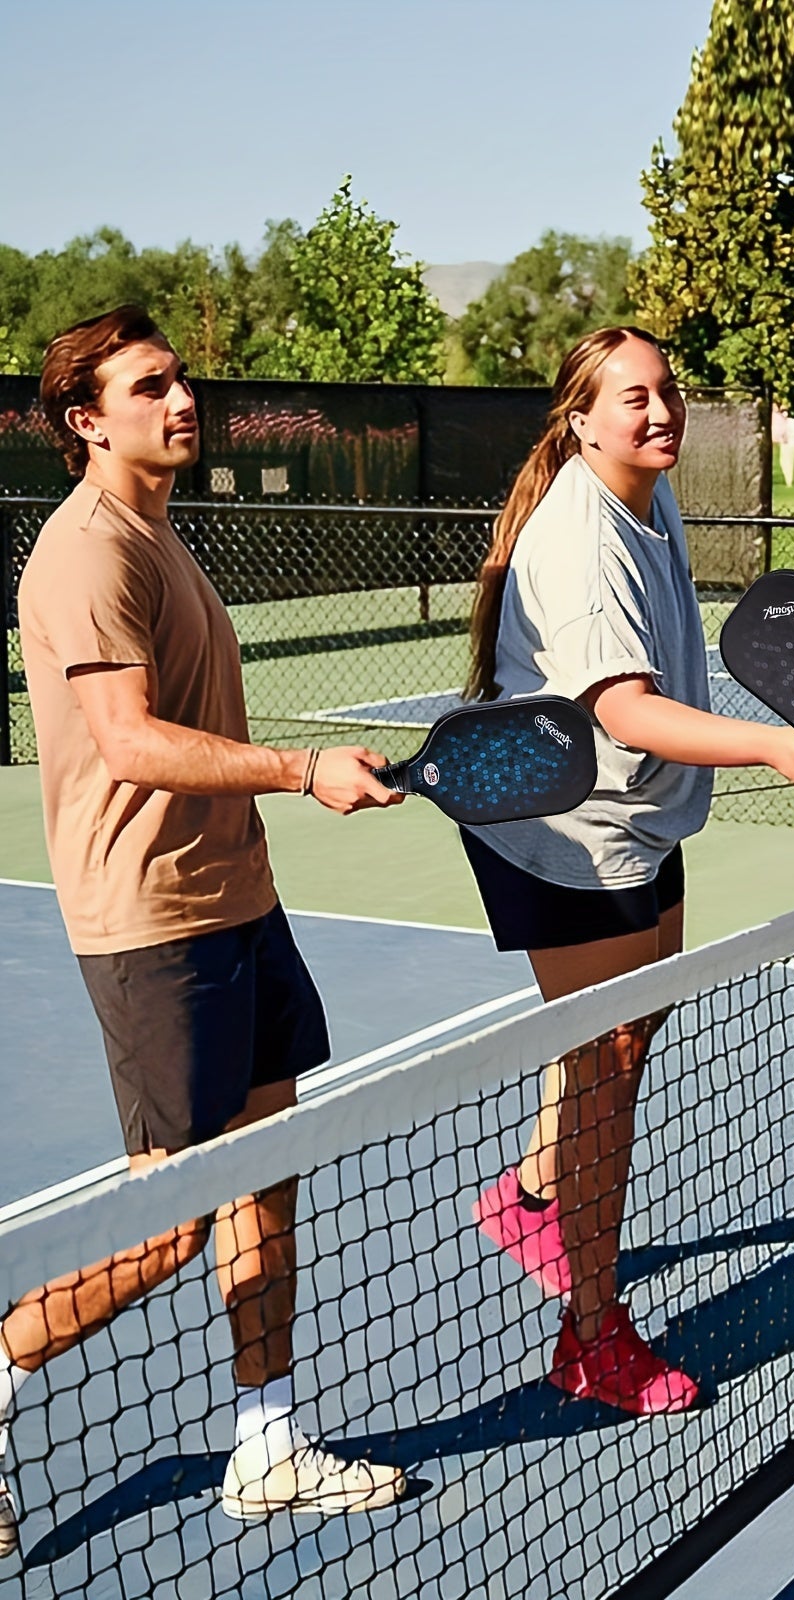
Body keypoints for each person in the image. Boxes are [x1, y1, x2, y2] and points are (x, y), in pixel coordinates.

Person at [1, 306, 407, 1558]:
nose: (184, 400)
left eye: (182, 380)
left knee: (264, 1182)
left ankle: (268, 1441)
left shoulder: (162, 537)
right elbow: (127, 743)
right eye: (150, 386)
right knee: (169, 1222)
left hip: (238, 902)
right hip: (152, 921)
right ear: (86, 420)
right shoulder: (85, 556)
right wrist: (297, 767)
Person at [460, 326, 794, 1414]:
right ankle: (591, 1332)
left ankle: (535, 1193)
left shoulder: (649, 490)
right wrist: (773, 743)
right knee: (607, 1067)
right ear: (581, 420)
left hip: (636, 817)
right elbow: (622, 707)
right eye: (633, 398)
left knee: (624, 1038)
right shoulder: (583, 540)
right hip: (561, 832)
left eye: (667, 391)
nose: (660, 411)